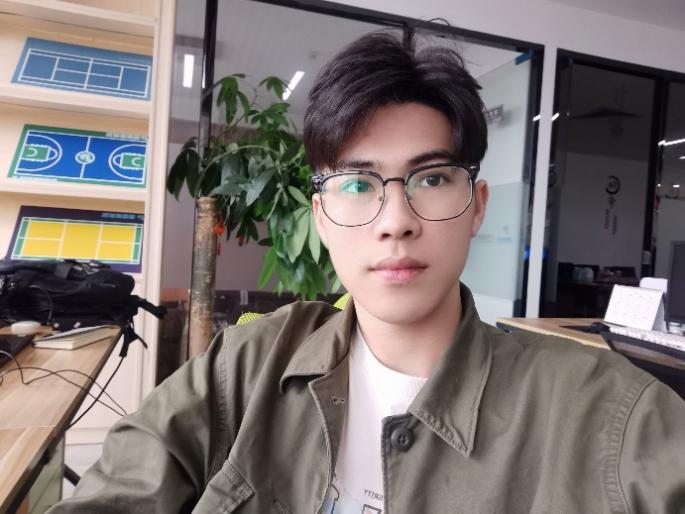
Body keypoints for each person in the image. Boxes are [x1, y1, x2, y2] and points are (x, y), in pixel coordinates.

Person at [49, 31, 685, 514]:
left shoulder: (610, 416)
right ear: (321, 218)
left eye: (431, 179)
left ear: (475, 207)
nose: (395, 221)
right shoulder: (243, 368)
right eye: (358, 184)